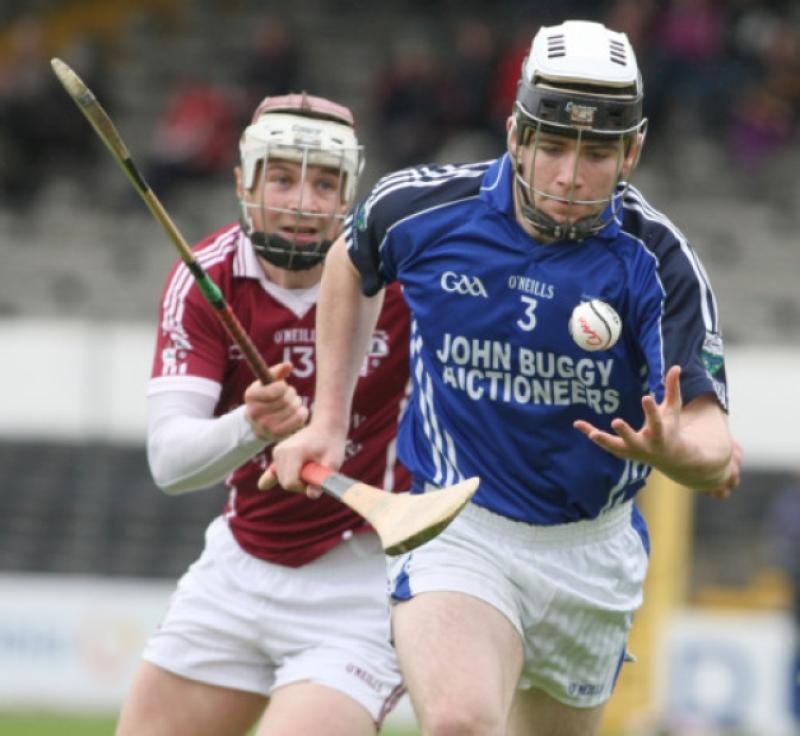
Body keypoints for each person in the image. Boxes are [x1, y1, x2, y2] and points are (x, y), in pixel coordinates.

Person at [272, 20, 742, 736]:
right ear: (516, 134)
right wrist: (328, 417)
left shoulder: (657, 263)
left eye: (597, 152)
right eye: (552, 145)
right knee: (460, 722)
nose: (569, 175)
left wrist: (679, 451)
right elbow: (351, 257)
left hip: (591, 553)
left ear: (633, 152)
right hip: (459, 524)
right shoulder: (425, 211)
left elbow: (718, 448)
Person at [116, 93, 410, 736]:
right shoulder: (207, 278)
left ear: (348, 195)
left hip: (361, 581)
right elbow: (170, 462)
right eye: (281, 177)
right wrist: (249, 425)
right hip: (240, 566)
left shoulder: (400, 280)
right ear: (241, 182)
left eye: (325, 183)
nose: (303, 203)